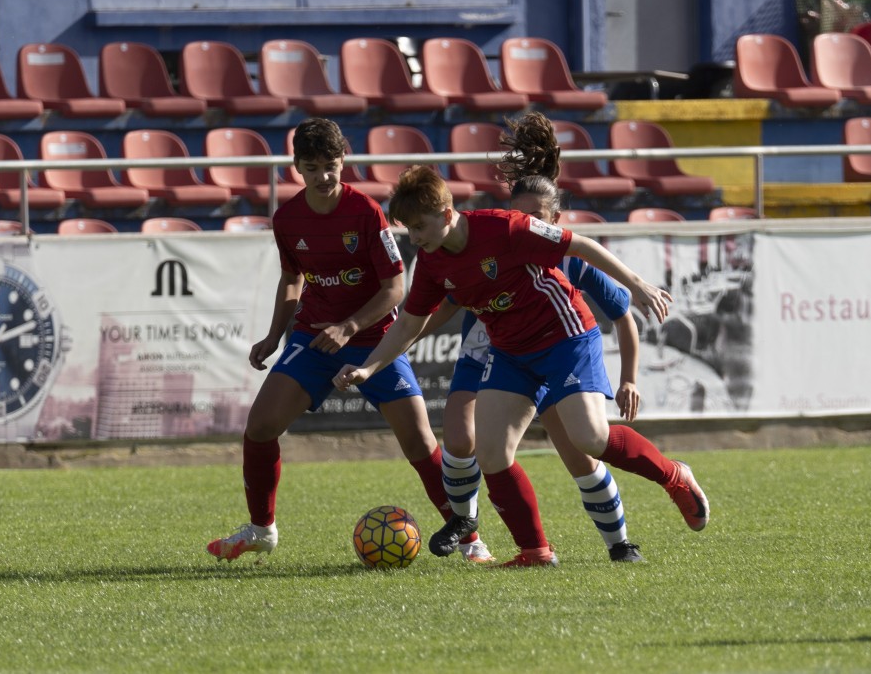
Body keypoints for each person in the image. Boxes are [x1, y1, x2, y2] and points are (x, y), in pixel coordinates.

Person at [334, 163, 710, 568]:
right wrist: (370, 367)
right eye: (409, 228)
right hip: (511, 352)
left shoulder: (505, 227)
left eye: (420, 226)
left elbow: (579, 245)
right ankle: (536, 552)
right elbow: (410, 320)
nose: (416, 237)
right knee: (492, 452)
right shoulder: (432, 261)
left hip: (565, 337)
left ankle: (674, 475)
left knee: (589, 438)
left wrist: (637, 284)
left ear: (446, 214)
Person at [206, 118, 492, 564]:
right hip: (314, 337)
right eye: (313, 166)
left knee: (419, 441)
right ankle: (262, 529)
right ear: (296, 167)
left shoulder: (366, 213)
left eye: (331, 165)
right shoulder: (287, 219)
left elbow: (394, 290)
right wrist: (274, 334)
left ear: (344, 162)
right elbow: (290, 280)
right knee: (260, 427)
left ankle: (469, 538)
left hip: (373, 338)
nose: (323, 176)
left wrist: (349, 327)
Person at [419, 115, 645, 563]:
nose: (526, 224)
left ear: (554, 220)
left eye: (536, 218)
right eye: (519, 216)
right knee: (461, 439)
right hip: (491, 352)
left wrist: (630, 377)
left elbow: (623, 315)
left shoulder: (572, 260)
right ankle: (471, 536)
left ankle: (619, 544)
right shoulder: (496, 242)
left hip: (551, 354)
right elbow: (445, 300)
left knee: (581, 453)